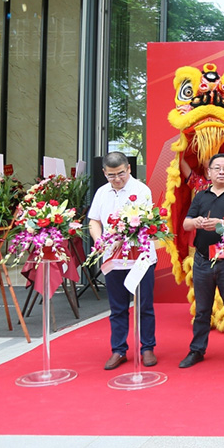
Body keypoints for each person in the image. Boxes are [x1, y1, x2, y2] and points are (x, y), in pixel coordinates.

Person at [178, 152, 224, 368]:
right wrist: (198, 222)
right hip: (202, 260)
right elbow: (186, 224)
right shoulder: (201, 196)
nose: (221, 172)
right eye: (217, 168)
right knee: (202, 310)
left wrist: (223, 223)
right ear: (209, 173)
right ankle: (196, 350)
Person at [87, 152, 157, 370]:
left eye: (120, 174)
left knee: (144, 305)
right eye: (111, 175)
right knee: (117, 306)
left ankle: (147, 347)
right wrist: (99, 241)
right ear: (104, 173)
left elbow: (143, 223)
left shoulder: (141, 190)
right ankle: (118, 350)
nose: (117, 179)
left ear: (128, 169)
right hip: (113, 258)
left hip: (140, 257)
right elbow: (94, 221)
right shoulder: (101, 192)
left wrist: (122, 238)